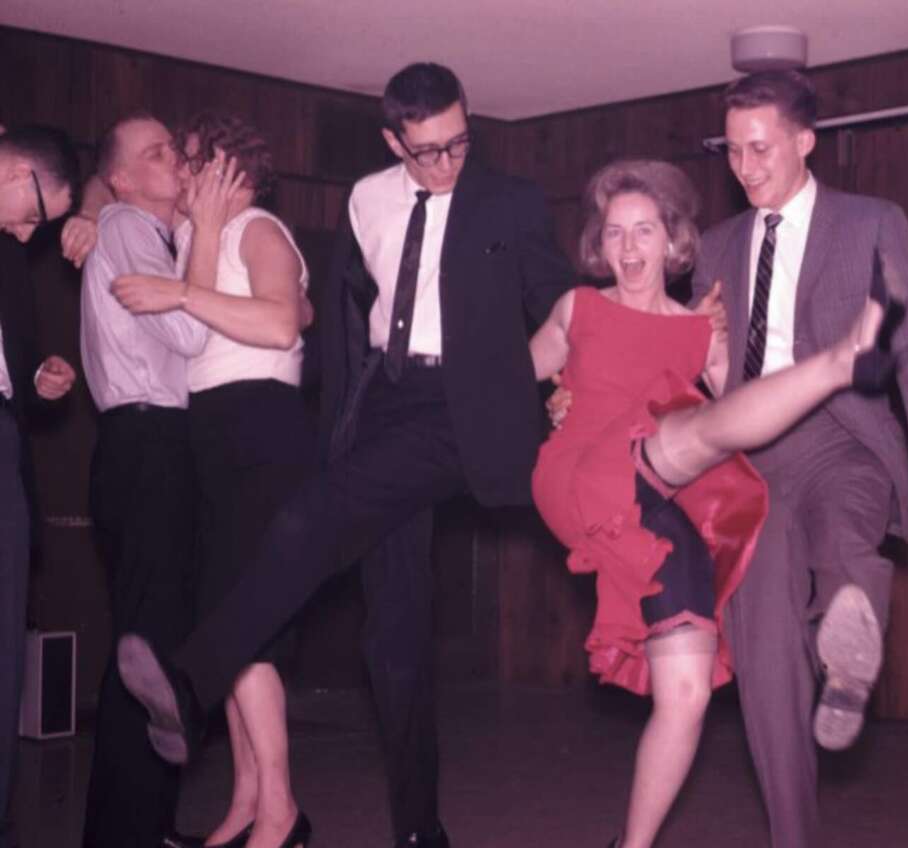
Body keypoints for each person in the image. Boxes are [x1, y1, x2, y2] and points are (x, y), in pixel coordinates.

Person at [116, 62, 573, 848]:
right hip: (384, 406)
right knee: (394, 636)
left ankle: (192, 684)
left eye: (459, 142)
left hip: (458, 411)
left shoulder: (511, 202)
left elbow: (561, 303)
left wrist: (543, 383)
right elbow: (347, 319)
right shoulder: (366, 198)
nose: (447, 161)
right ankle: (420, 832)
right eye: (426, 149)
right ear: (394, 139)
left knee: (309, 520)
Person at [528, 158, 900, 848]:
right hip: (581, 473)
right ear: (597, 245)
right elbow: (506, 381)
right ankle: (842, 362)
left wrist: (721, 352)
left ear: (673, 245)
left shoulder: (702, 330)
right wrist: (547, 400)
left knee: (689, 693)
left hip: (652, 496)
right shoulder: (577, 307)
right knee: (688, 431)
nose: (630, 248)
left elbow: (738, 416)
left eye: (645, 232)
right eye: (615, 234)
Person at [688, 70, 908, 846]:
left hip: (842, 435)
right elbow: (687, 378)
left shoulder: (872, 223)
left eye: (761, 149)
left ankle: (847, 654)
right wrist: (693, 338)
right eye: (734, 152)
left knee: (849, 535)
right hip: (749, 460)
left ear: (804, 142)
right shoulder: (715, 246)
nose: (746, 168)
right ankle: (793, 832)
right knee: (765, 654)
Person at [112, 112, 314, 848]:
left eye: (199, 163)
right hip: (216, 435)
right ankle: (246, 801)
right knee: (224, 624)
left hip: (261, 429)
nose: (188, 178)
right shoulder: (201, 240)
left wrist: (183, 297)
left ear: (239, 173)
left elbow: (284, 326)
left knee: (248, 631)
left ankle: (281, 812)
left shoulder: (258, 227)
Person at [79, 113, 212, 848]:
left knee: (149, 647)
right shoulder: (129, 223)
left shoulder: (147, 231)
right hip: (147, 439)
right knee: (148, 652)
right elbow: (188, 332)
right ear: (123, 179)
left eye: (174, 149)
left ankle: (139, 828)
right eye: (156, 153)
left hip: (143, 443)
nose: (175, 160)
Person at [0, 123, 79, 848]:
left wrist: (39, 381)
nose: (29, 236)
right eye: (32, 215)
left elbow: (13, 368)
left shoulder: (9, 262)